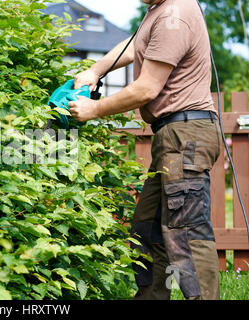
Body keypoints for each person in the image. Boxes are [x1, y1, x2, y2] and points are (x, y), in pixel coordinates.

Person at [68, 0, 221, 300]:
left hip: (185, 138)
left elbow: (146, 88)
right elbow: (138, 43)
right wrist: (96, 70)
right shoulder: (158, 12)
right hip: (172, 137)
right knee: (147, 227)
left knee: (187, 231)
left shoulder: (174, 15)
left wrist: (94, 109)